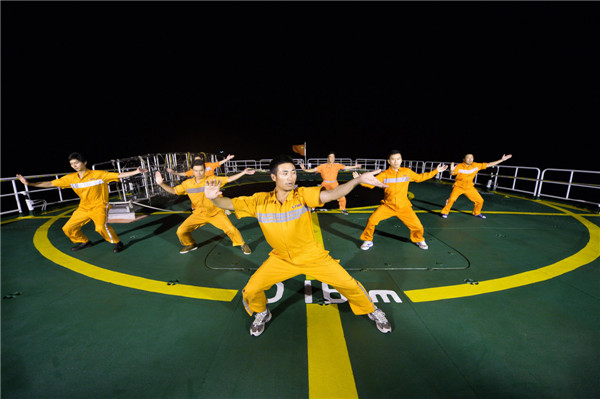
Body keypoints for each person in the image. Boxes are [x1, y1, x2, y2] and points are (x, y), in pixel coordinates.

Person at [203, 154, 393, 336]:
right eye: (285, 173)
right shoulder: (258, 201)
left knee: (349, 285)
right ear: (273, 176)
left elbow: (334, 193)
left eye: (293, 172)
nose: (291, 177)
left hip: (313, 256)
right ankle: (262, 312)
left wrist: (358, 180)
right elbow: (229, 203)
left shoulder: (302, 195)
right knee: (251, 289)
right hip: (282, 258)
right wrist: (213, 198)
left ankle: (372, 309)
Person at [16, 152, 147, 253]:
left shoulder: (98, 174)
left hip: (99, 205)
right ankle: (84, 241)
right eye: (72, 163)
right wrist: (29, 183)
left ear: (84, 162)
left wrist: (136, 171)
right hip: (83, 207)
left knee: (100, 227)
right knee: (67, 228)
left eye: (76, 163)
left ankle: (117, 242)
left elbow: (118, 175)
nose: (74, 165)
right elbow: (51, 183)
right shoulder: (70, 178)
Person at [155, 158, 254, 255]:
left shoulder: (212, 179)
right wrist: (161, 184)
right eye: (196, 171)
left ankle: (242, 244)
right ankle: (190, 244)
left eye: (201, 170)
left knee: (231, 229)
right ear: (192, 171)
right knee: (181, 231)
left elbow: (229, 179)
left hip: (216, 212)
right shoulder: (187, 184)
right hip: (199, 213)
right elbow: (173, 191)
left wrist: (243, 172)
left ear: (204, 170)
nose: (198, 173)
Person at [356, 150, 448, 251]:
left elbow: (420, 177)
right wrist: (359, 180)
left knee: (418, 226)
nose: (396, 161)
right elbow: (370, 184)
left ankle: (418, 239)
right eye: (393, 159)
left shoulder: (407, 172)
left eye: (398, 159)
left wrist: (436, 171)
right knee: (371, 221)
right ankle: (368, 240)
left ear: (401, 160)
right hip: (388, 206)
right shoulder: (384, 174)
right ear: (389, 161)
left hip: (404, 207)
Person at [440, 153, 512, 219]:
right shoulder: (459, 166)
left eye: (472, 157)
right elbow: (452, 173)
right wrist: (451, 170)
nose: (470, 159)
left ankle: (476, 213)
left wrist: (502, 160)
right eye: (468, 158)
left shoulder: (476, 165)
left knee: (480, 200)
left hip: (469, 188)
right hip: (458, 187)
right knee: (451, 199)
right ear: (464, 159)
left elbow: (489, 164)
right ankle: (445, 212)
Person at [167, 153, 234, 178]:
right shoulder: (194, 169)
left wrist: (227, 159)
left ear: (202, 159)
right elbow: (185, 174)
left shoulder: (209, 165)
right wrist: (174, 173)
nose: (198, 162)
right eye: (196, 160)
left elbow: (218, 163)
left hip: (212, 185)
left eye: (199, 160)